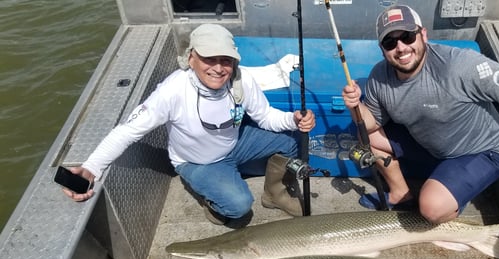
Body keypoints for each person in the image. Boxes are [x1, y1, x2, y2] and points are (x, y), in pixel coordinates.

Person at [62, 24, 315, 224]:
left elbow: (266, 117)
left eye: (226, 60)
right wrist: (91, 168)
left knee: (294, 138)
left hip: (235, 143)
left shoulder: (242, 79)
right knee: (238, 207)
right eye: (209, 58)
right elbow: (127, 132)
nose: (218, 68)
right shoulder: (171, 91)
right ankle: (214, 200)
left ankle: (274, 194)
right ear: (191, 57)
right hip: (196, 161)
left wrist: (292, 119)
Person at [342, 5, 499, 224]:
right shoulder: (379, 76)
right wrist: (355, 105)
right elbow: (370, 124)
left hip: (480, 151)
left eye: (408, 37)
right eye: (390, 42)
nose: (401, 48)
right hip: (431, 143)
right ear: (382, 48)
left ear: (423, 34)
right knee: (364, 137)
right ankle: (401, 194)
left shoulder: (459, 65)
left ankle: (449, 202)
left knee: (431, 207)